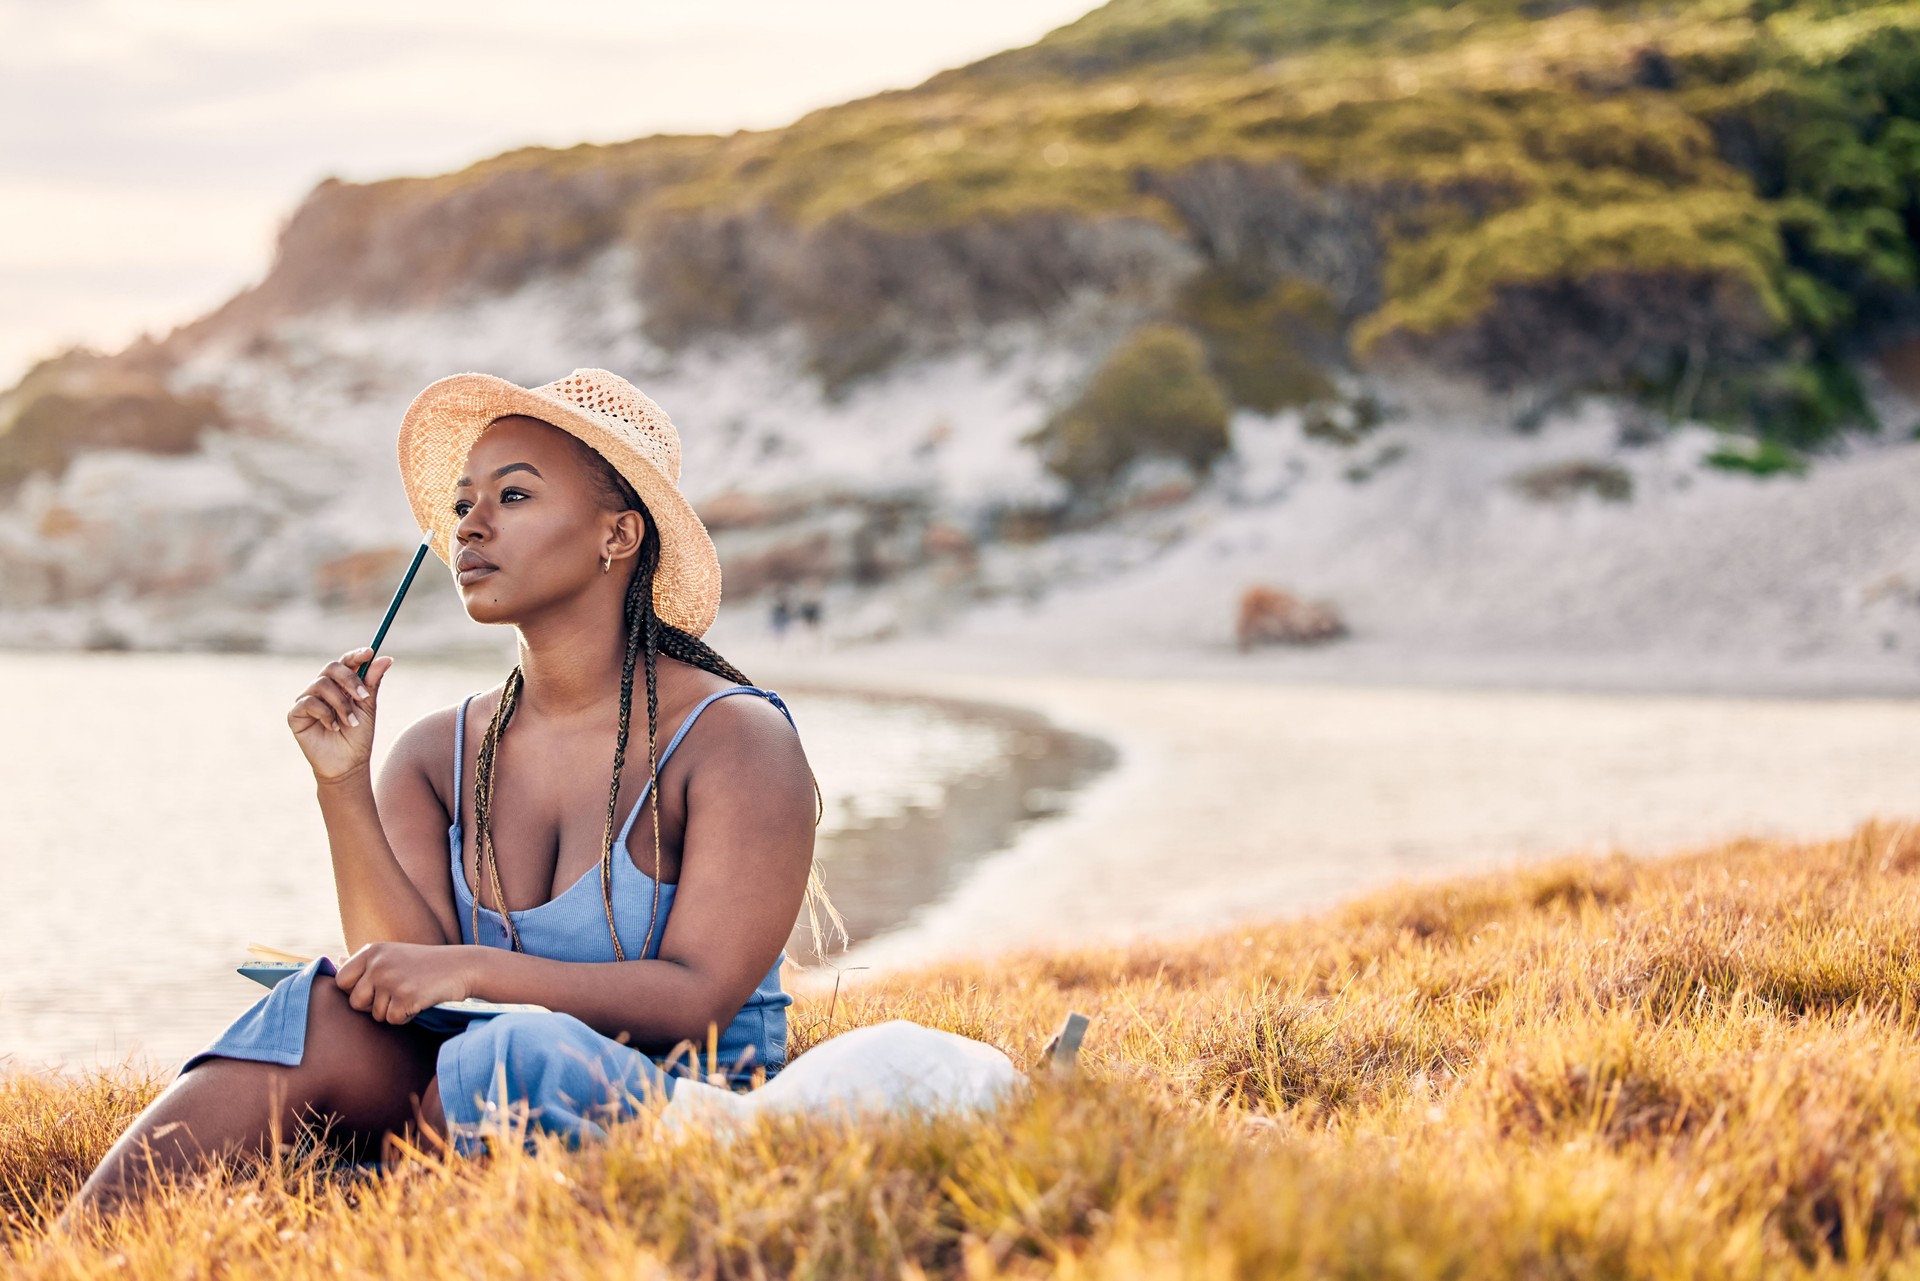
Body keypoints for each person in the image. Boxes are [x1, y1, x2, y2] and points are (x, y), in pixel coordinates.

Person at [72, 368, 843, 1213]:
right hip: (480, 1065)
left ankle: (384, 1229)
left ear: (617, 535)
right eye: (464, 500)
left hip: (691, 1100)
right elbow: (394, 976)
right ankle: (63, 1256)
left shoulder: (737, 739)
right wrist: (342, 786)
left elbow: (698, 999)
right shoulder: (438, 751)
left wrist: (475, 967)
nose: (469, 525)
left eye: (512, 497)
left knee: (509, 1052)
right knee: (324, 1009)